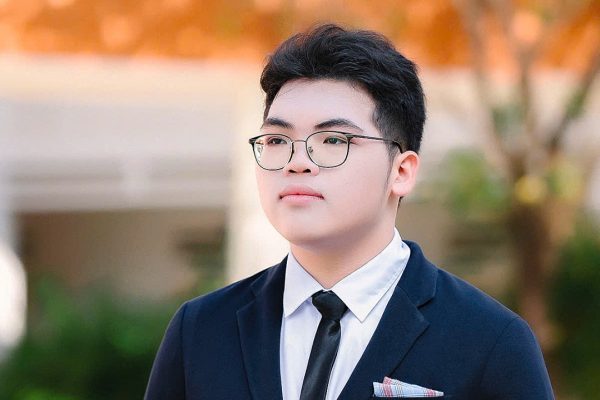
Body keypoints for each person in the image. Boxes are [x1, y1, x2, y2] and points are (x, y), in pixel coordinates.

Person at [145, 24, 554, 400]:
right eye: (277, 140)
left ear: (402, 171)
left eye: (333, 140)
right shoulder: (200, 330)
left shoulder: (489, 341)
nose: (297, 162)